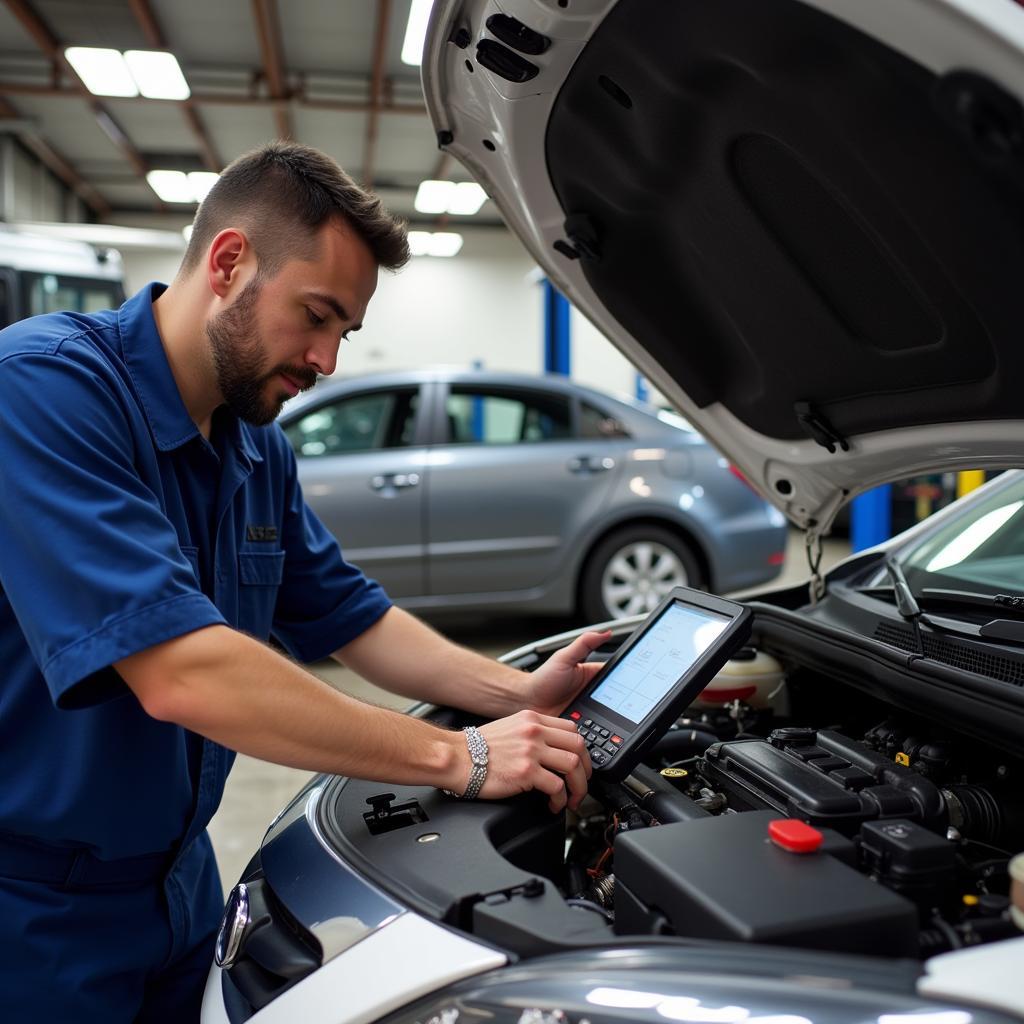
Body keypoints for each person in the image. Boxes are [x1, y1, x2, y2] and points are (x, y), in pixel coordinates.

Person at [0, 141, 605, 1022]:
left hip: (181, 889)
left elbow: (348, 617)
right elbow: (182, 672)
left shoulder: (255, 446)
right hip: (33, 909)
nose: (327, 361)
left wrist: (515, 690)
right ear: (230, 261)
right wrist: (461, 756)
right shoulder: (45, 389)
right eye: (315, 316)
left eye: (343, 333)